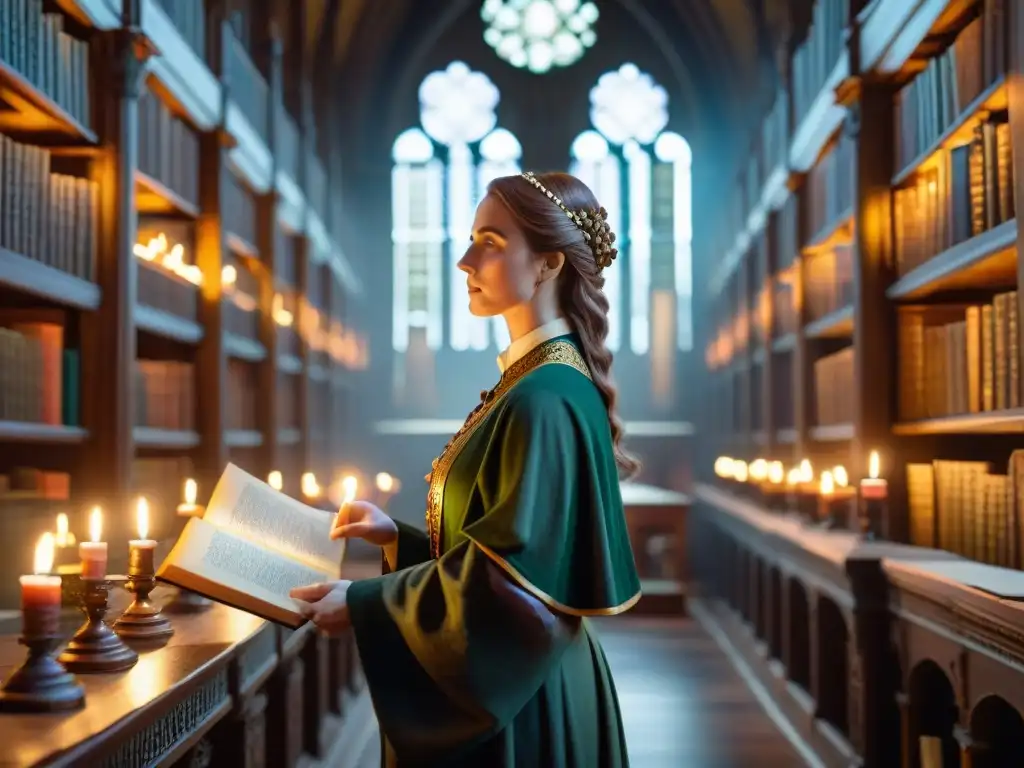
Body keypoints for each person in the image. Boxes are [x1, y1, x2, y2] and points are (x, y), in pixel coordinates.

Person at [290, 171, 642, 767]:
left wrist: (366, 602)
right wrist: (396, 537)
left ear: (549, 264)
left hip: (522, 705)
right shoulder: (533, 381)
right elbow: (500, 552)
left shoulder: (544, 396)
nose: (464, 260)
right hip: (531, 684)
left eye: (491, 241)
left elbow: (511, 590)